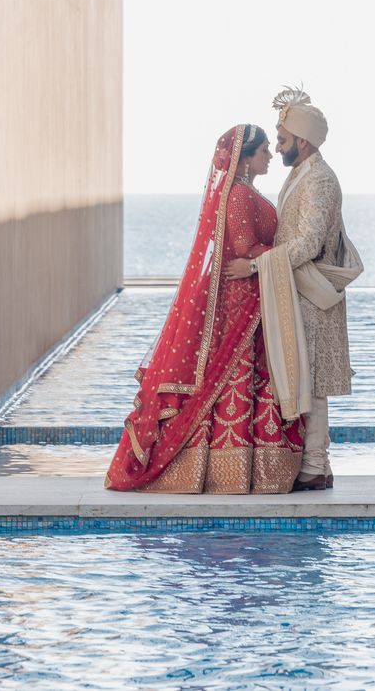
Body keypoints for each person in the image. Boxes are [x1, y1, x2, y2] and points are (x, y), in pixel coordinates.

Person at [105, 124, 306, 494]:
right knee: (236, 373)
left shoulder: (246, 190)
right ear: (245, 157)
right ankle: (229, 470)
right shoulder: (240, 195)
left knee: (246, 374)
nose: (269, 156)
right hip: (242, 297)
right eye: (263, 150)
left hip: (253, 292)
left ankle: (243, 469)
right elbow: (244, 246)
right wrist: (289, 253)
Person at [227, 89, 362, 491]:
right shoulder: (300, 173)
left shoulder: (319, 179)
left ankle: (315, 468)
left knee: (313, 381)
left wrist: (255, 265)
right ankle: (317, 464)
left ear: (301, 141)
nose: (277, 145)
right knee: (305, 377)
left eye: (282, 139)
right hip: (296, 289)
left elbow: (309, 243)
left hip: (311, 292)